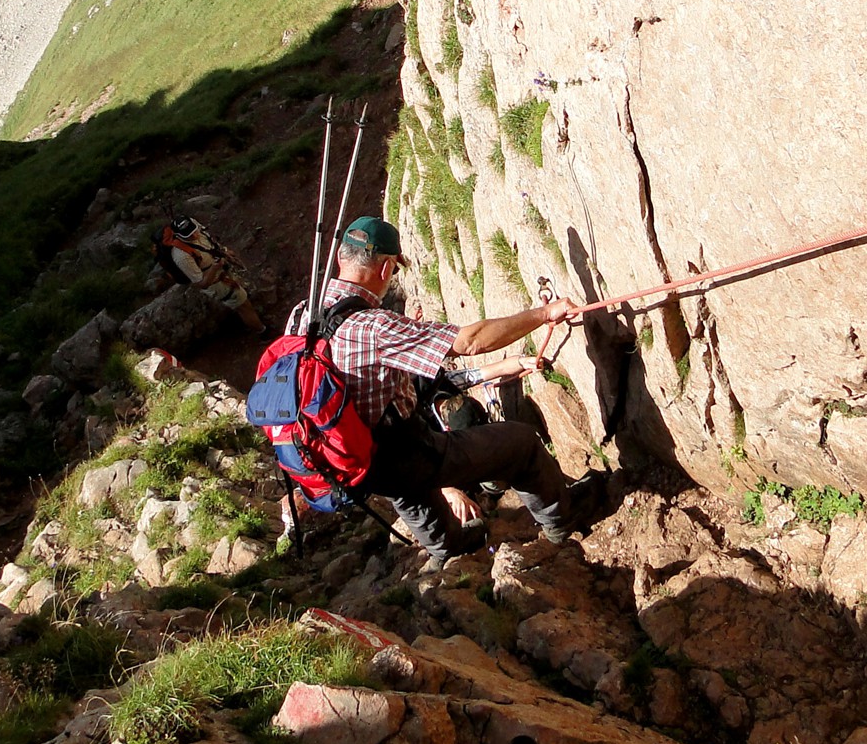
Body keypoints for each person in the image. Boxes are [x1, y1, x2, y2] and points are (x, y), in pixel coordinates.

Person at [291, 215, 588, 567]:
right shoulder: (373, 327)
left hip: (341, 457)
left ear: (342, 257)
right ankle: (562, 522)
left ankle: (450, 547)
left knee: (407, 485)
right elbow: (470, 342)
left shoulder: (304, 313)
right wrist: (544, 314)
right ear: (386, 268)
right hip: (400, 452)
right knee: (521, 445)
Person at [160, 217, 266, 331]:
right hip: (217, 282)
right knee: (243, 305)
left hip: (223, 267)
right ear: (178, 236)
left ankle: (253, 313)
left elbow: (209, 242)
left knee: (243, 295)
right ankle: (261, 330)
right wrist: (215, 268)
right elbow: (202, 284)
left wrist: (224, 252)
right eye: (188, 235)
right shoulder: (182, 257)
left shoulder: (195, 226)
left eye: (193, 230)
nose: (194, 235)